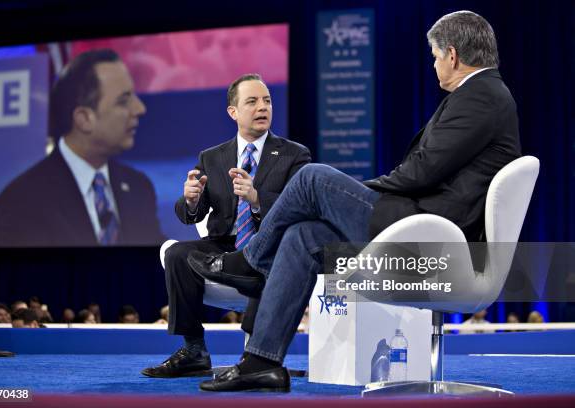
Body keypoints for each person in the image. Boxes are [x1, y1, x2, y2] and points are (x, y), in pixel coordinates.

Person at [187, 11, 521, 391]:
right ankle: (261, 361)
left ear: (453, 54)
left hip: (432, 236)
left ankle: (249, 262)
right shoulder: (481, 95)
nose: (433, 65)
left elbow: (423, 171)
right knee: (302, 235)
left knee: (312, 179)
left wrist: (358, 190)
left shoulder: (481, 96)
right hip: (424, 223)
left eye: (434, 56)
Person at [142, 73, 311, 378]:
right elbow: (191, 213)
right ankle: (194, 350)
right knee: (177, 254)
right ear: (233, 112)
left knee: (265, 265)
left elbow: (301, 208)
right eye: (252, 101)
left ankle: (260, 356)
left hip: (271, 245)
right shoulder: (212, 157)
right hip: (225, 243)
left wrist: (258, 198)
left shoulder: (294, 154)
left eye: (267, 101)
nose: (263, 107)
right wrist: (191, 201)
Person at [0, 49, 164, 247]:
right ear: (84, 119)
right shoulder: (24, 200)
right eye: (123, 101)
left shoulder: (139, 188)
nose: (140, 109)